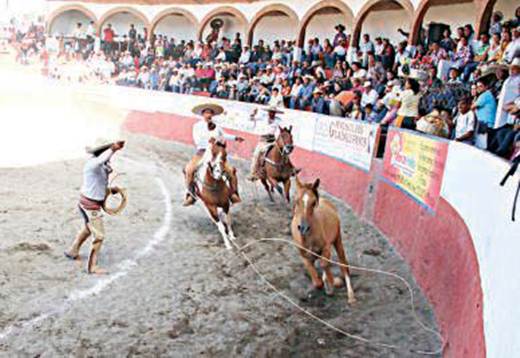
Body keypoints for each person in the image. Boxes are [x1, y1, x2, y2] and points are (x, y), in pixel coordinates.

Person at [64, 139, 125, 275]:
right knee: (99, 235)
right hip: (90, 205)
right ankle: (92, 266)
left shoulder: (100, 163)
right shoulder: (93, 163)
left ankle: (73, 250)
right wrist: (113, 149)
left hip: (87, 201)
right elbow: (101, 162)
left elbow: (98, 183)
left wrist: (109, 190)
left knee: (87, 228)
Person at [183, 103, 244, 206]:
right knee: (189, 169)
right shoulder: (197, 126)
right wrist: (209, 141)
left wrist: (235, 138)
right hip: (202, 152)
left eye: (211, 113)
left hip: (215, 153)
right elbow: (197, 140)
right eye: (207, 112)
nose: (209, 115)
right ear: (203, 114)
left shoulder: (216, 126)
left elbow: (223, 135)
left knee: (231, 170)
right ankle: (191, 194)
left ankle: (234, 194)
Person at [248, 105, 284, 181]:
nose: (272, 114)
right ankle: (253, 173)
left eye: (273, 112)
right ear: (268, 112)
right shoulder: (263, 117)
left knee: (282, 152)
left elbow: (281, 129)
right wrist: (253, 114)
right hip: (263, 141)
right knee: (256, 155)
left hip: (273, 141)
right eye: (271, 112)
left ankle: (289, 169)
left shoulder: (278, 120)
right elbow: (251, 119)